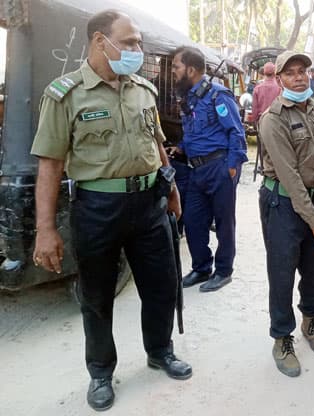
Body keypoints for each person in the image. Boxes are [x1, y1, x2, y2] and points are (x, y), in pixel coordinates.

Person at [30, 9, 192, 411]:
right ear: (101, 41)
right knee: (97, 296)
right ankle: (101, 372)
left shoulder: (143, 90)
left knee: (162, 285)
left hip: (149, 202)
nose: (139, 49)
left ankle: (160, 350)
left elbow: (156, 143)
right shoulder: (64, 94)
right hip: (98, 208)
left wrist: (170, 189)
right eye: (132, 41)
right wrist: (44, 229)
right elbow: (49, 164)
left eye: (139, 41)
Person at [258, 51, 314, 378]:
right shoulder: (272, 119)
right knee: (282, 271)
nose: (299, 77)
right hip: (283, 203)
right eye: (290, 73)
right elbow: (290, 177)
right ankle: (282, 337)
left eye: (303, 71)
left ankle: (310, 319)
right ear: (279, 80)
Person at [171, 46, 247, 292]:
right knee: (193, 221)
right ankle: (202, 268)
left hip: (220, 168)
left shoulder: (218, 95)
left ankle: (224, 270)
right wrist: (181, 147)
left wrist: (232, 169)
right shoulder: (189, 98)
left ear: (190, 69)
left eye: (176, 66)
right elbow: (196, 131)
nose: (172, 71)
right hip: (196, 171)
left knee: (224, 223)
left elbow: (236, 132)